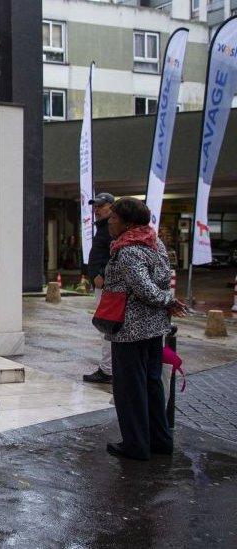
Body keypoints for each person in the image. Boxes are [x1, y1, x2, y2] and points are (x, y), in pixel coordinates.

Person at [103, 197, 186, 460]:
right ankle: (160, 441)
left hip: (130, 330)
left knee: (130, 389)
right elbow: (161, 280)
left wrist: (168, 301)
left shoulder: (127, 250)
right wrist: (166, 302)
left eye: (114, 217)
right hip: (154, 329)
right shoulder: (154, 242)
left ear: (127, 222)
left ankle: (136, 444)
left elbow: (145, 288)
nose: (109, 221)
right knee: (152, 385)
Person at [85, 192, 116, 384]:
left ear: (111, 207)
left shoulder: (111, 229)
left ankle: (108, 370)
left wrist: (102, 275)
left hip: (106, 287)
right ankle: (108, 368)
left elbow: (116, 254)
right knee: (107, 329)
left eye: (100, 206)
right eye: (95, 207)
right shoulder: (103, 228)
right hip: (102, 286)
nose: (97, 210)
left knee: (108, 329)